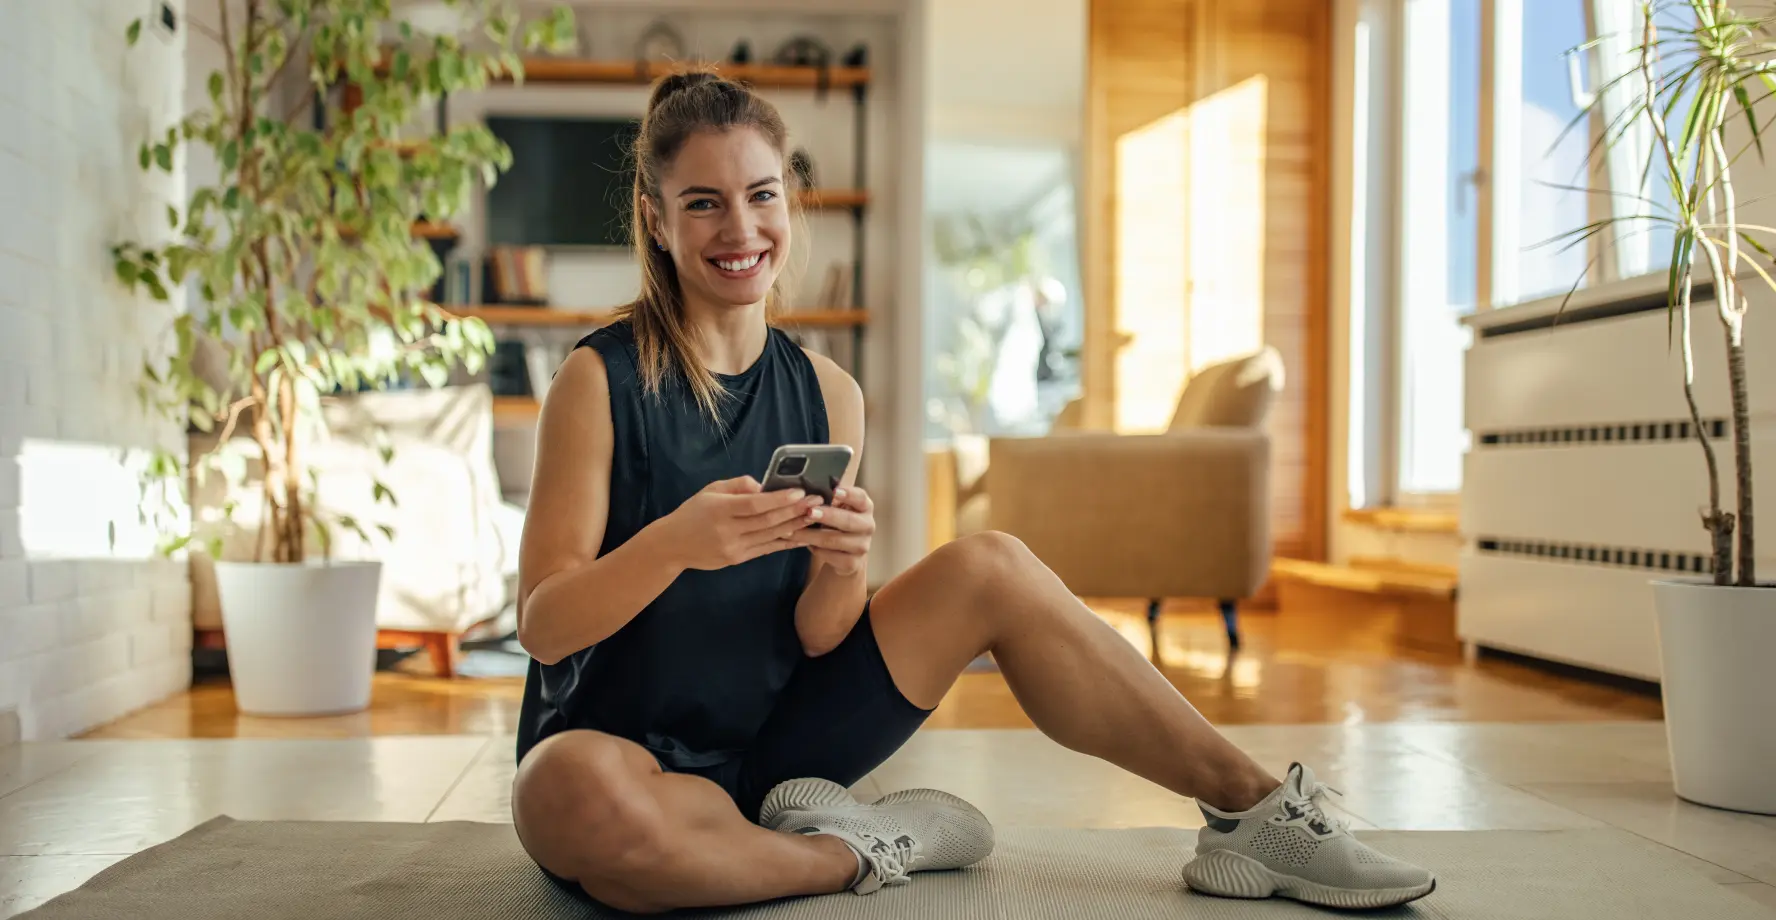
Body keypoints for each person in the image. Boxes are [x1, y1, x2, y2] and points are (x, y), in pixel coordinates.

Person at [508, 70, 1437, 915]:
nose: (740, 231)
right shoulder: (598, 383)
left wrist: (842, 565)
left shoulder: (831, 394)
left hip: (779, 754)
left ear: (791, 197)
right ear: (656, 215)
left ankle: (1256, 812)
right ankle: (863, 849)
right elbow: (545, 625)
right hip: (617, 754)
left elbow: (821, 636)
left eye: (761, 196)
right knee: (562, 796)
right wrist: (676, 542)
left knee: (992, 564)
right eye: (702, 204)